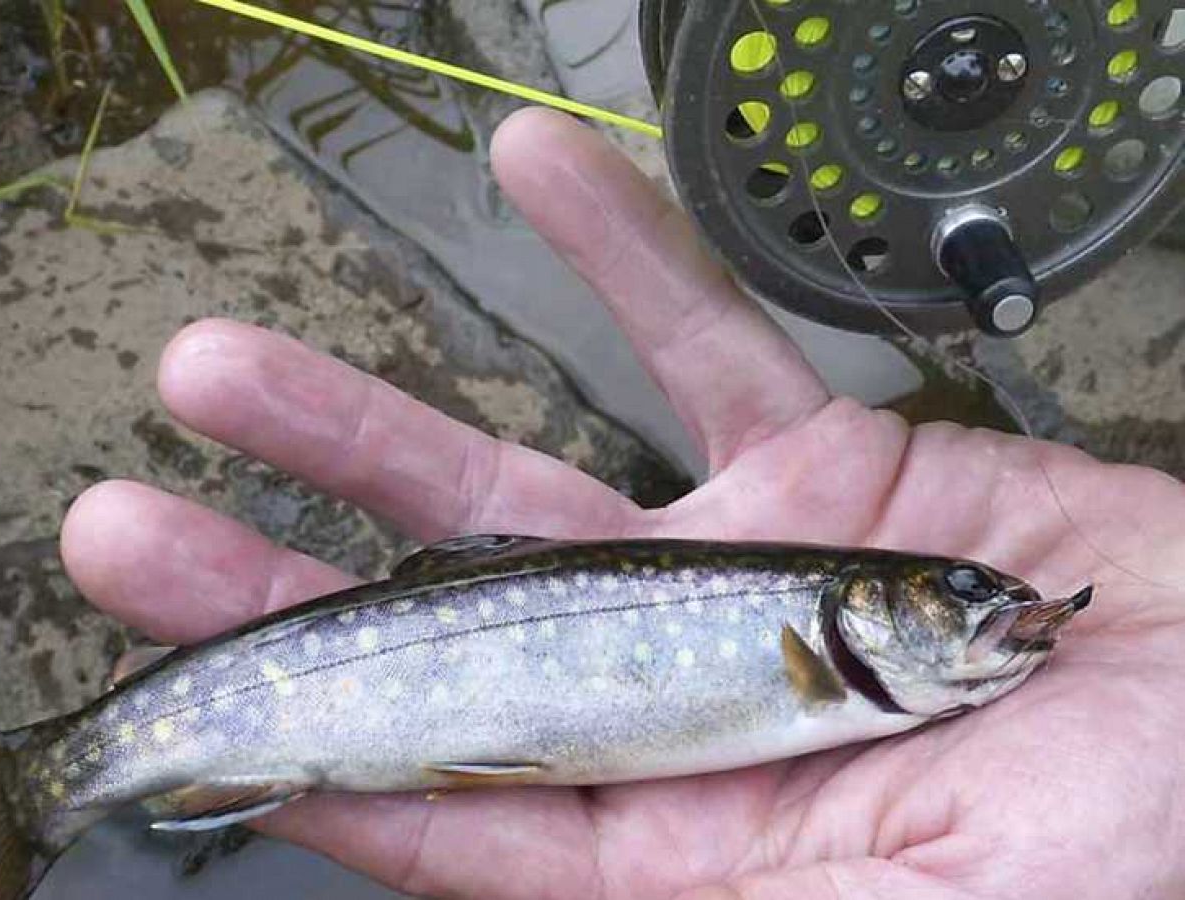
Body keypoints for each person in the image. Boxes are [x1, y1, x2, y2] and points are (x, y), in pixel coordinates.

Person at [58, 108, 1185, 899]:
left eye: (967, 592)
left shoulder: (851, 670)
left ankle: (49, 778)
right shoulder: (818, 655)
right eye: (954, 591)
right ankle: (50, 779)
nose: (989, 606)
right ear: (862, 607)